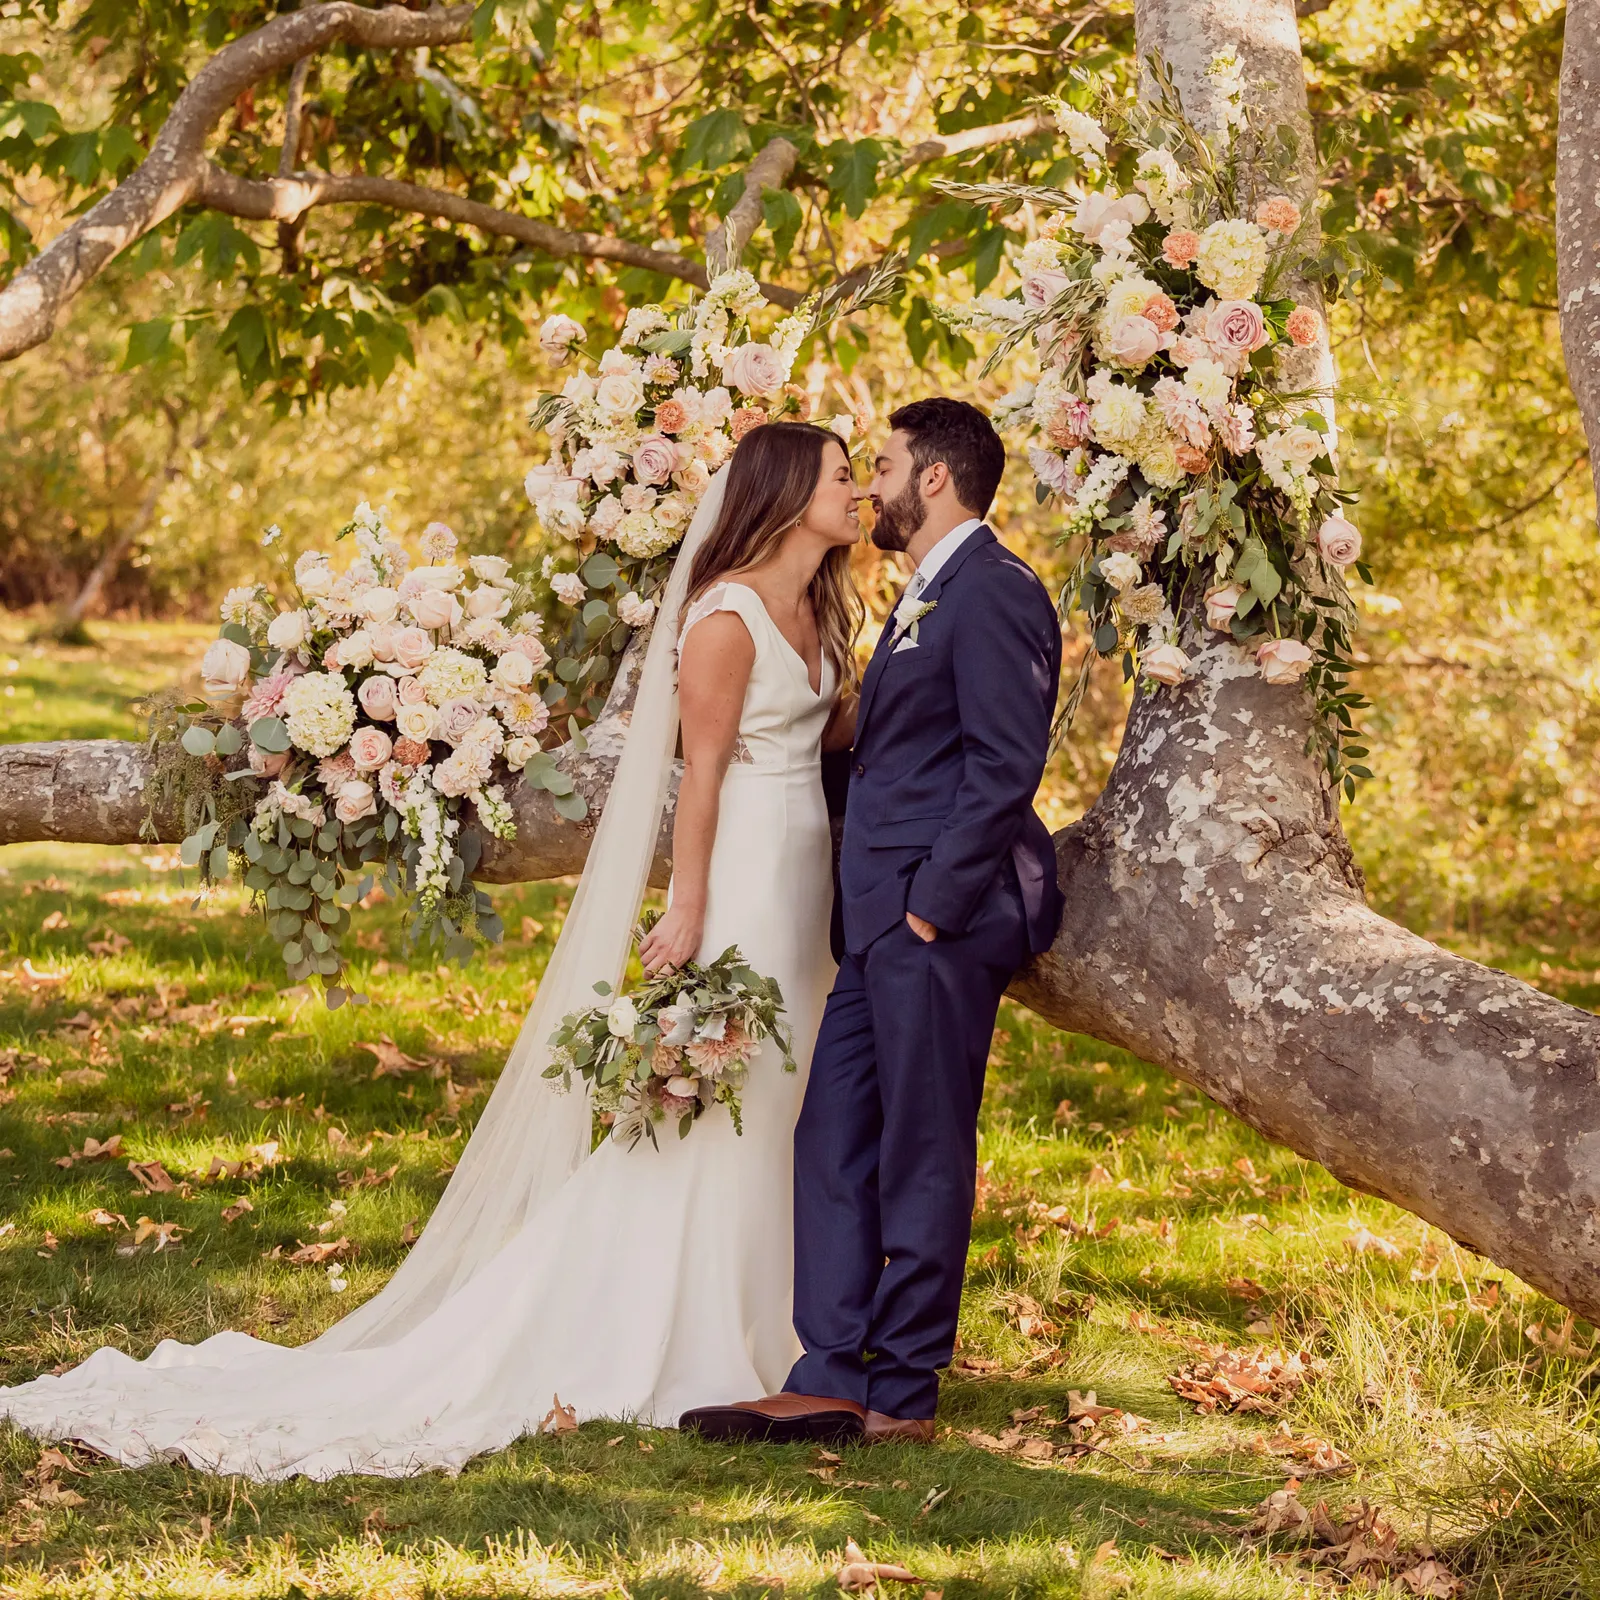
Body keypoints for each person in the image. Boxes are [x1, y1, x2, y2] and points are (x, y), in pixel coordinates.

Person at [0, 421, 864, 1479]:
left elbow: (833, 735)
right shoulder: (725, 617)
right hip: (743, 873)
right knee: (730, 1088)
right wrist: (687, 908)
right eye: (840, 474)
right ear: (785, 493)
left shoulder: (819, 605)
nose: (857, 489)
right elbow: (706, 775)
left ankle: (787, 1324)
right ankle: (674, 1324)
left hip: (809, 870)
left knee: (789, 1090)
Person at [681, 397, 1065, 1446]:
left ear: (932, 478)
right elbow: (888, 748)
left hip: (939, 915)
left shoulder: (995, 590)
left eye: (883, 464)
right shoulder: (920, 594)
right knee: (833, 1133)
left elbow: (1002, 765)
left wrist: (933, 909)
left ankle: (901, 1392)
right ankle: (825, 1369)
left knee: (922, 1148)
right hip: (876, 920)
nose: (869, 486)